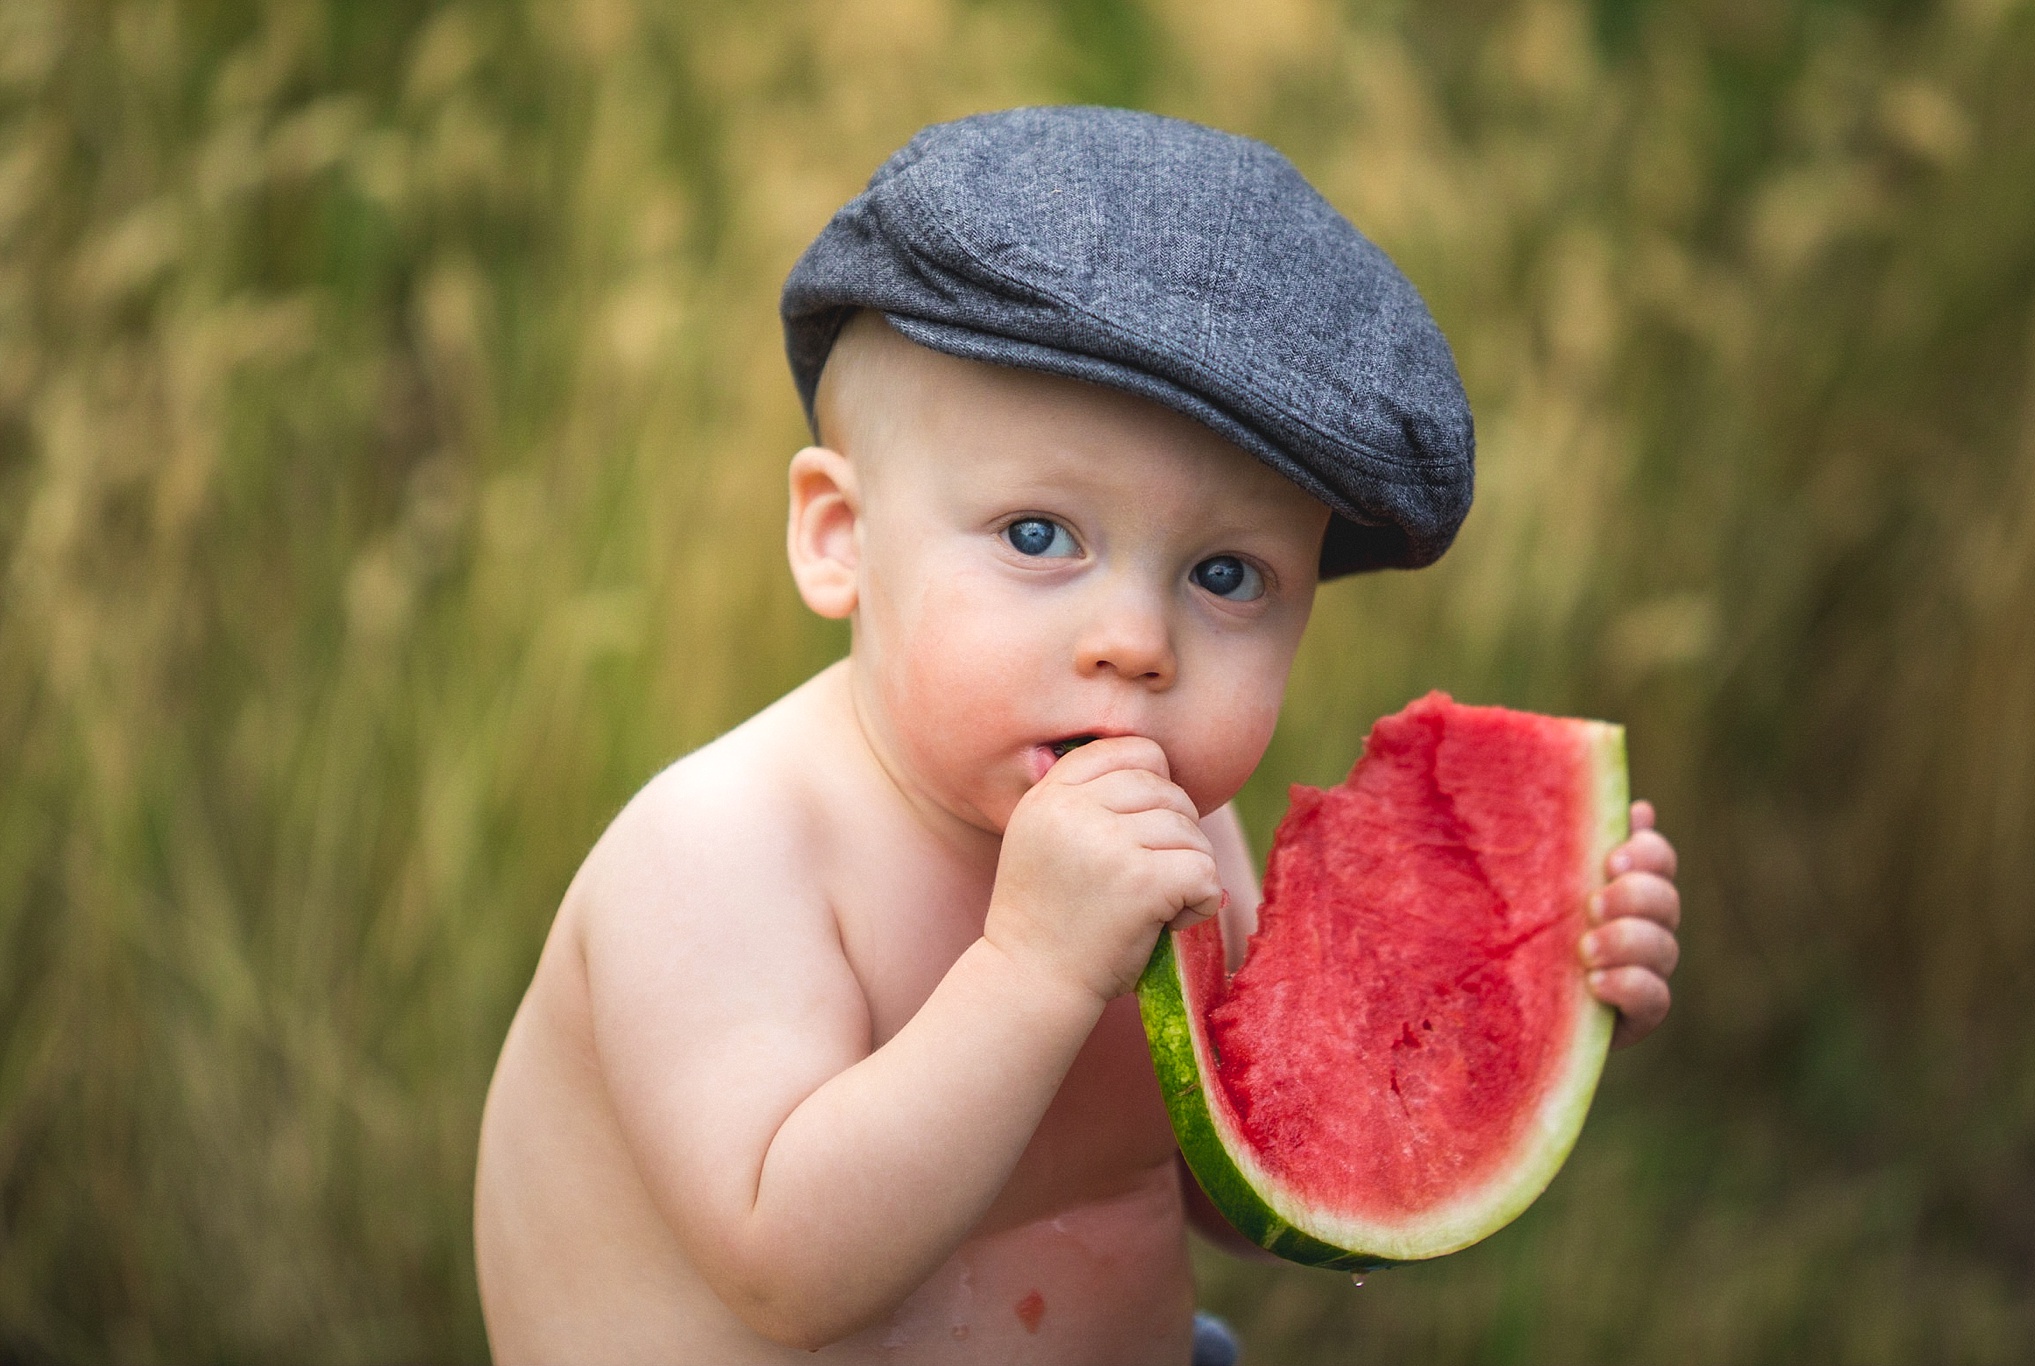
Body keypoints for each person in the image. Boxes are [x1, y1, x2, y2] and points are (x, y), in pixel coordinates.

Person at [473, 108, 1682, 1365]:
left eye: (1225, 572)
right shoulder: (723, 849)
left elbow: (1242, 1198)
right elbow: (788, 1270)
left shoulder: (1179, 831)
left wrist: (1510, 992)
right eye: (1038, 535)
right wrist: (1034, 970)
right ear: (839, 534)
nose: (1136, 640)